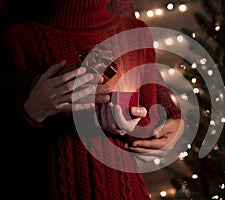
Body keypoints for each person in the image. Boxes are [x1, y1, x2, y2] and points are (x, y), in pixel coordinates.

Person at [0, 0, 184, 199]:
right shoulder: (16, 37)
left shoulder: (133, 31)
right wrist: (32, 110)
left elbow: (145, 121)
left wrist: (151, 118)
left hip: (124, 188)